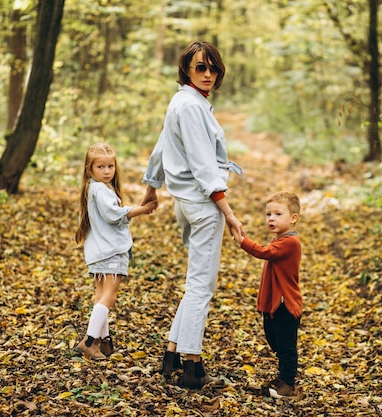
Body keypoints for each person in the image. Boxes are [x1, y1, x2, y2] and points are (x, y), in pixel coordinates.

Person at [141, 40, 244, 389]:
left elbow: (161, 145)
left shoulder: (184, 102)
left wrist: (152, 184)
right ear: (186, 69)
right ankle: (192, 365)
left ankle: (171, 354)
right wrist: (228, 212)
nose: (208, 74)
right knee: (202, 286)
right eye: (201, 67)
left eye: (213, 67)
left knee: (195, 284)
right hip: (202, 205)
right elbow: (203, 165)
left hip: (186, 203)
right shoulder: (190, 107)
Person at [75, 143, 157, 360]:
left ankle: (104, 341)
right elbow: (114, 215)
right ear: (89, 169)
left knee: (101, 295)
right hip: (110, 251)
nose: (107, 171)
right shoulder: (100, 190)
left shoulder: (94, 188)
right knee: (109, 298)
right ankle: (89, 341)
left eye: (110, 166)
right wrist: (143, 210)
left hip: (101, 251)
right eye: (100, 167)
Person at [233, 191, 302, 399]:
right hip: (274, 304)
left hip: (285, 304)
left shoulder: (290, 242)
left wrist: (242, 240)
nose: (271, 218)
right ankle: (283, 377)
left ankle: (288, 384)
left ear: (293, 218)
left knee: (286, 345)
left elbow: (265, 252)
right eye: (268, 214)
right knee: (275, 340)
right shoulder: (279, 239)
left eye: (278, 214)